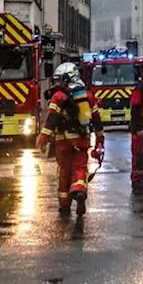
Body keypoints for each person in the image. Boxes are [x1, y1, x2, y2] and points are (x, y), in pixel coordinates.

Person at [40, 62, 104, 215]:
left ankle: (64, 206)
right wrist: (100, 141)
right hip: (82, 140)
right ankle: (79, 190)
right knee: (80, 168)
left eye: (59, 79)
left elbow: (52, 119)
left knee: (64, 172)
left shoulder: (59, 97)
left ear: (66, 78)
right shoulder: (87, 96)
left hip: (63, 141)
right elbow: (96, 121)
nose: (58, 83)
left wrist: (44, 137)